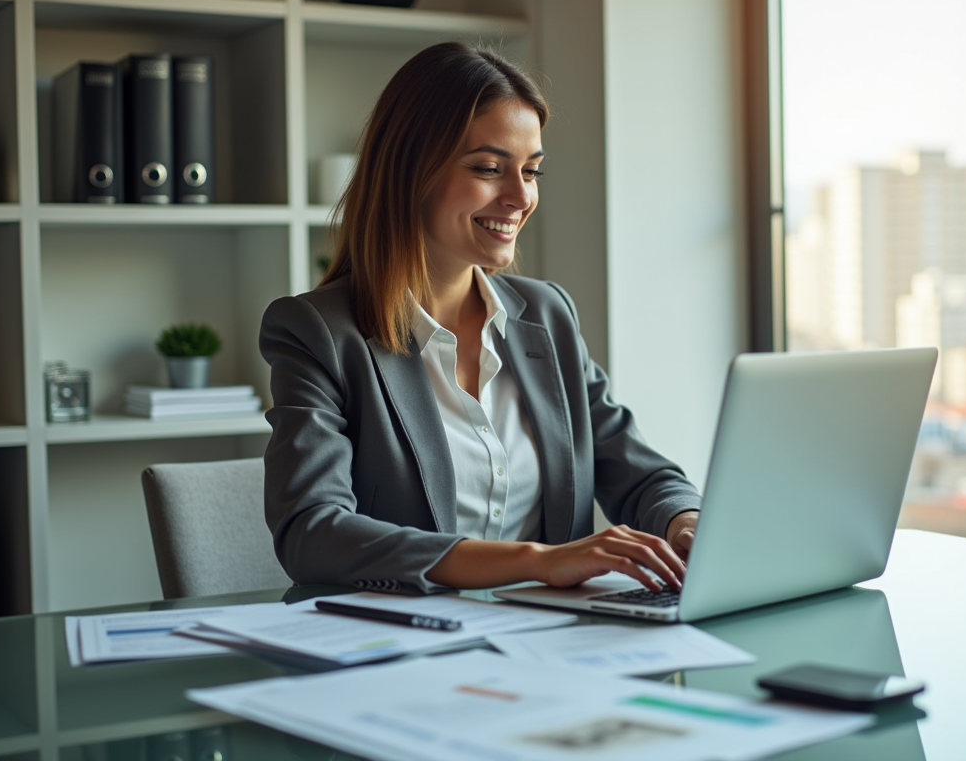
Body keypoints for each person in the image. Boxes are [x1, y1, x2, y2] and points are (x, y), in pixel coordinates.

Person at [259, 42, 701, 596]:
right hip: (407, 654)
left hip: (552, 644)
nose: (520, 197)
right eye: (490, 168)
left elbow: (637, 472)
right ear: (409, 170)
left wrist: (685, 521)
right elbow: (312, 533)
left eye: (532, 171)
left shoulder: (547, 315)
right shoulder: (318, 333)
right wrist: (536, 561)